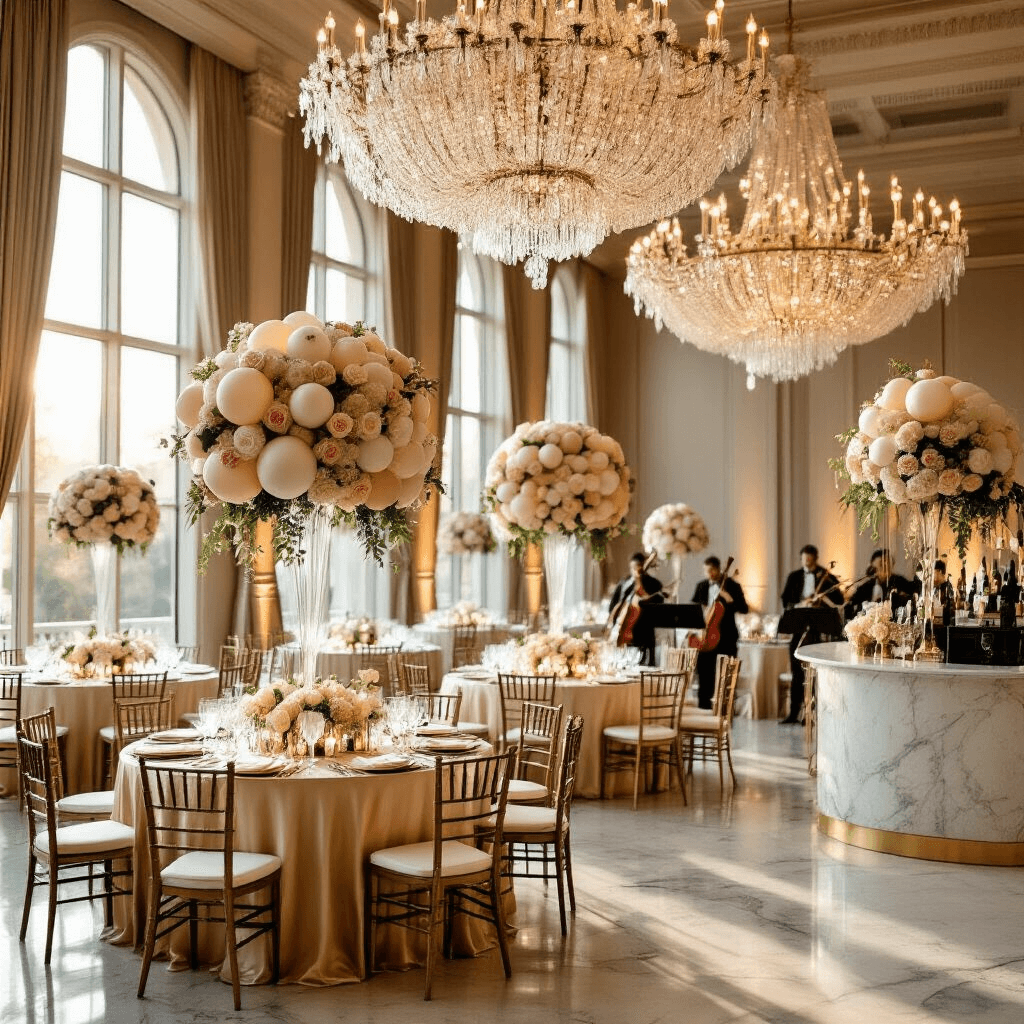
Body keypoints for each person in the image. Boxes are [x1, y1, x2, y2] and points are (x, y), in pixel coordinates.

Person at [779, 545, 842, 725]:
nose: (807, 563)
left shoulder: (826, 575)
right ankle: (793, 713)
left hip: (817, 631)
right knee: (796, 674)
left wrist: (821, 599)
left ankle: (813, 714)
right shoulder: (794, 576)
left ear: (816, 558)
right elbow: (785, 600)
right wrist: (801, 603)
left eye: (810, 559)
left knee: (816, 674)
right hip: (798, 628)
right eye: (804, 560)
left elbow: (839, 600)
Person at [691, 556, 748, 709]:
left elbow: (744, 608)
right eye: (706, 571)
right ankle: (703, 709)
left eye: (712, 570)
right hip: (706, 637)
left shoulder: (732, 586)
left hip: (727, 638)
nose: (709, 573)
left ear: (718, 569)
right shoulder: (701, 586)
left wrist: (729, 599)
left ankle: (725, 709)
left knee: (726, 676)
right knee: (704, 675)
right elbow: (696, 609)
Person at [608, 552, 665, 666]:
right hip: (623, 632)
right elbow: (613, 606)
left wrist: (642, 592)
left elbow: (659, 607)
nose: (635, 571)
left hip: (645, 635)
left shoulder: (654, 584)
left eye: (638, 568)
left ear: (643, 567)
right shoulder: (624, 583)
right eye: (632, 568)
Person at [846, 548, 918, 619]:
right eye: (881, 564)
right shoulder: (866, 587)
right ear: (873, 569)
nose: (885, 566)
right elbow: (850, 606)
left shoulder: (900, 581)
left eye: (888, 563)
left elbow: (913, 592)